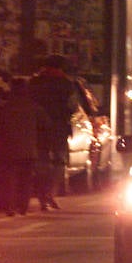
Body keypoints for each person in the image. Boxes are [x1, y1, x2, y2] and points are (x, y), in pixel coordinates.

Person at [28, 54, 91, 211]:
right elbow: (73, 106)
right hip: (59, 128)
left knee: (42, 162)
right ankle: (50, 194)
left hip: (38, 129)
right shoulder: (66, 84)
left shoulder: (34, 83)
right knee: (59, 162)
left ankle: (42, 195)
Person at [0, 77, 52, 216]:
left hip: (7, 148)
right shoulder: (35, 108)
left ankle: (9, 206)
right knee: (26, 179)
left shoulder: (2, 108)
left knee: (8, 178)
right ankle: (22, 207)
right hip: (29, 149)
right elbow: (46, 125)